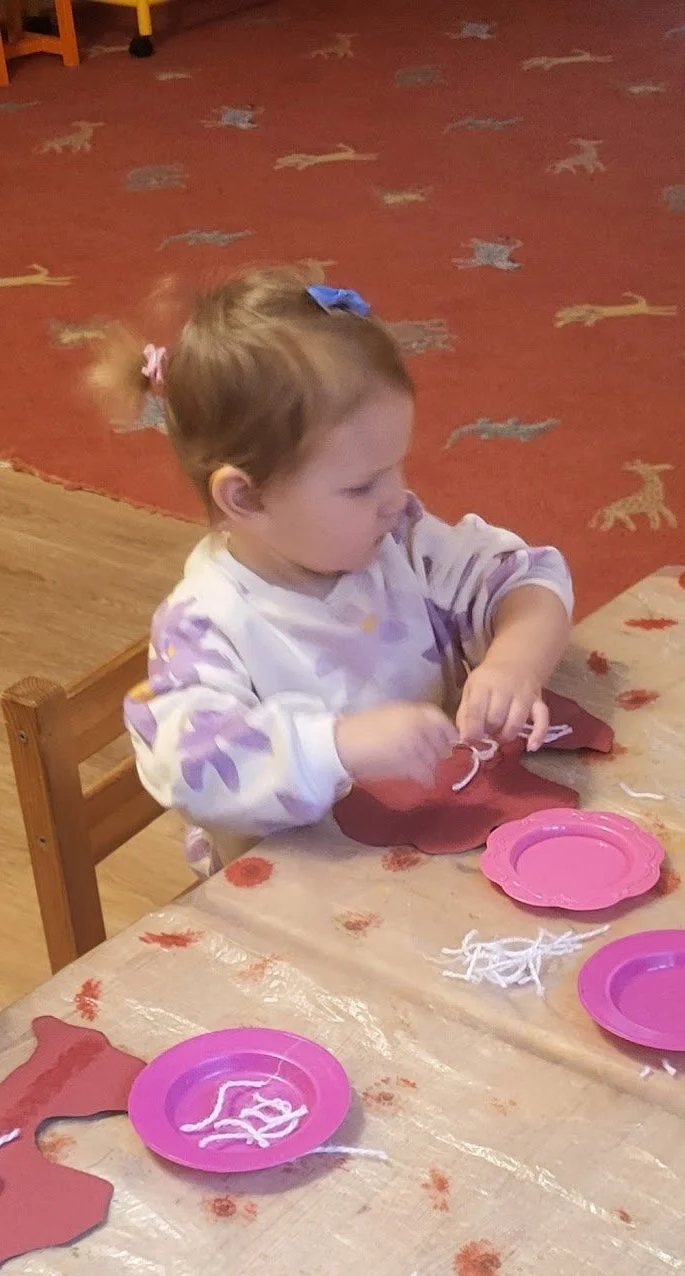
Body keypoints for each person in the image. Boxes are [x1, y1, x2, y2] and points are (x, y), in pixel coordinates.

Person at [99, 269, 575, 871]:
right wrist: (339, 747)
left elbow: (527, 579)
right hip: (303, 904)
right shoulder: (204, 625)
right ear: (247, 500)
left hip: (435, 856)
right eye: (360, 486)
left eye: (396, 467)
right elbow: (192, 768)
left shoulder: (398, 542)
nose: (397, 496)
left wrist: (514, 662)